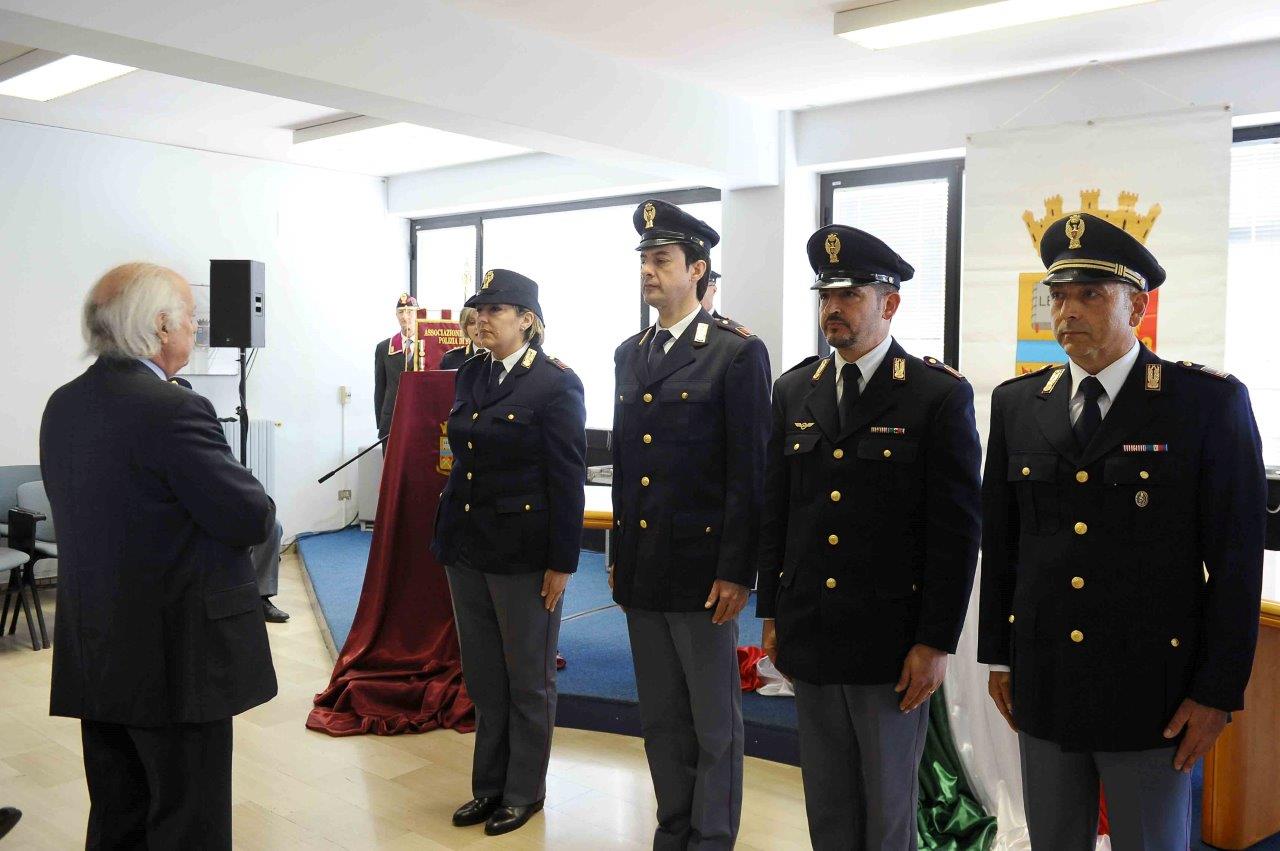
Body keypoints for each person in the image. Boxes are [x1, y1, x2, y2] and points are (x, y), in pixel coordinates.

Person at [978, 213, 1266, 850]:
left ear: (1137, 306)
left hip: (1152, 692)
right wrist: (1000, 656)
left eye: (1090, 295)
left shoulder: (1203, 404)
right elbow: (1002, 545)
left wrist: (1217, 692)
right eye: (1059, 297)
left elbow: (1236, 563)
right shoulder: (1019, 404)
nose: (1068, 311)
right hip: (1046, 679)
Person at [756, 225, 981, 849]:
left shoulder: (936, 395)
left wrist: (935, 641)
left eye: (850, 295)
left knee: (886, 807)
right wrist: (771, 612)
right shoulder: (794, 390)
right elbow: (777, 512)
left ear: (890, 303)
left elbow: (956, 532)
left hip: (890, 641)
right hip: (810, 628)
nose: (833, 308)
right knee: (827, 802)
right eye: (826, 295)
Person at [40, 263, 277, 848]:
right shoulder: (172, 410)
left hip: (99, 646)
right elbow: (249, 516)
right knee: (187, 820)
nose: (197, 330)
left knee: (118, 812)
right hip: (175, 653)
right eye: (192, 319)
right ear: (160, 325)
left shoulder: (64, 403)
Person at [610, 199, 771, 849]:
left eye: (661, 259)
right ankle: (672, 827)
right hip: (643, 566)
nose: (647, 271)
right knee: (660, 717)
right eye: (644, 260)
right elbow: (627, 465)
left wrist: (737, 569)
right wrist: (619, 554)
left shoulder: (735, 352)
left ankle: (710, 837)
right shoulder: (630, 353)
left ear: (697, 269)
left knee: (713, 723)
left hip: (704, 572)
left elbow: (749, 474)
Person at [431, 269, 586, 836]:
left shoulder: (555, 383)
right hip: (466, 545)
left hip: (523, 553)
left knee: (528, 679)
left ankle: (524, 792)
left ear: (527, 320)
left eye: (495, 310)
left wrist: (562, 562)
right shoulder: (471, 372)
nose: (482, 319)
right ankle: (488, 787)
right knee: (483, 677)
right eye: (479, 310)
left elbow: (566, 480)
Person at [170, 376, 289, 623]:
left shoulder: (202, 430)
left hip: (211, 506)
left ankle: (261, 596)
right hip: (179, 516)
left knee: (271, 525)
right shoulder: (154, 435)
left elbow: (225, 473)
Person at [374, 293, 419, 441]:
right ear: (396, 315)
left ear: (418, 314)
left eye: (410, 312)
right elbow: (380, 389)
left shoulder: (428, 344)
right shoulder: (384, 348)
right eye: (401, 312)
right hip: (391, 422)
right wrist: (381, 424)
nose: (405, 317)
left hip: (420, 420)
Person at [440, 305, 485, 369]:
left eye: (481, 322)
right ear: (465, 327)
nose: (477, 327)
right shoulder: (451, 359)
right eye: (472, 322)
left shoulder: (500, 355)